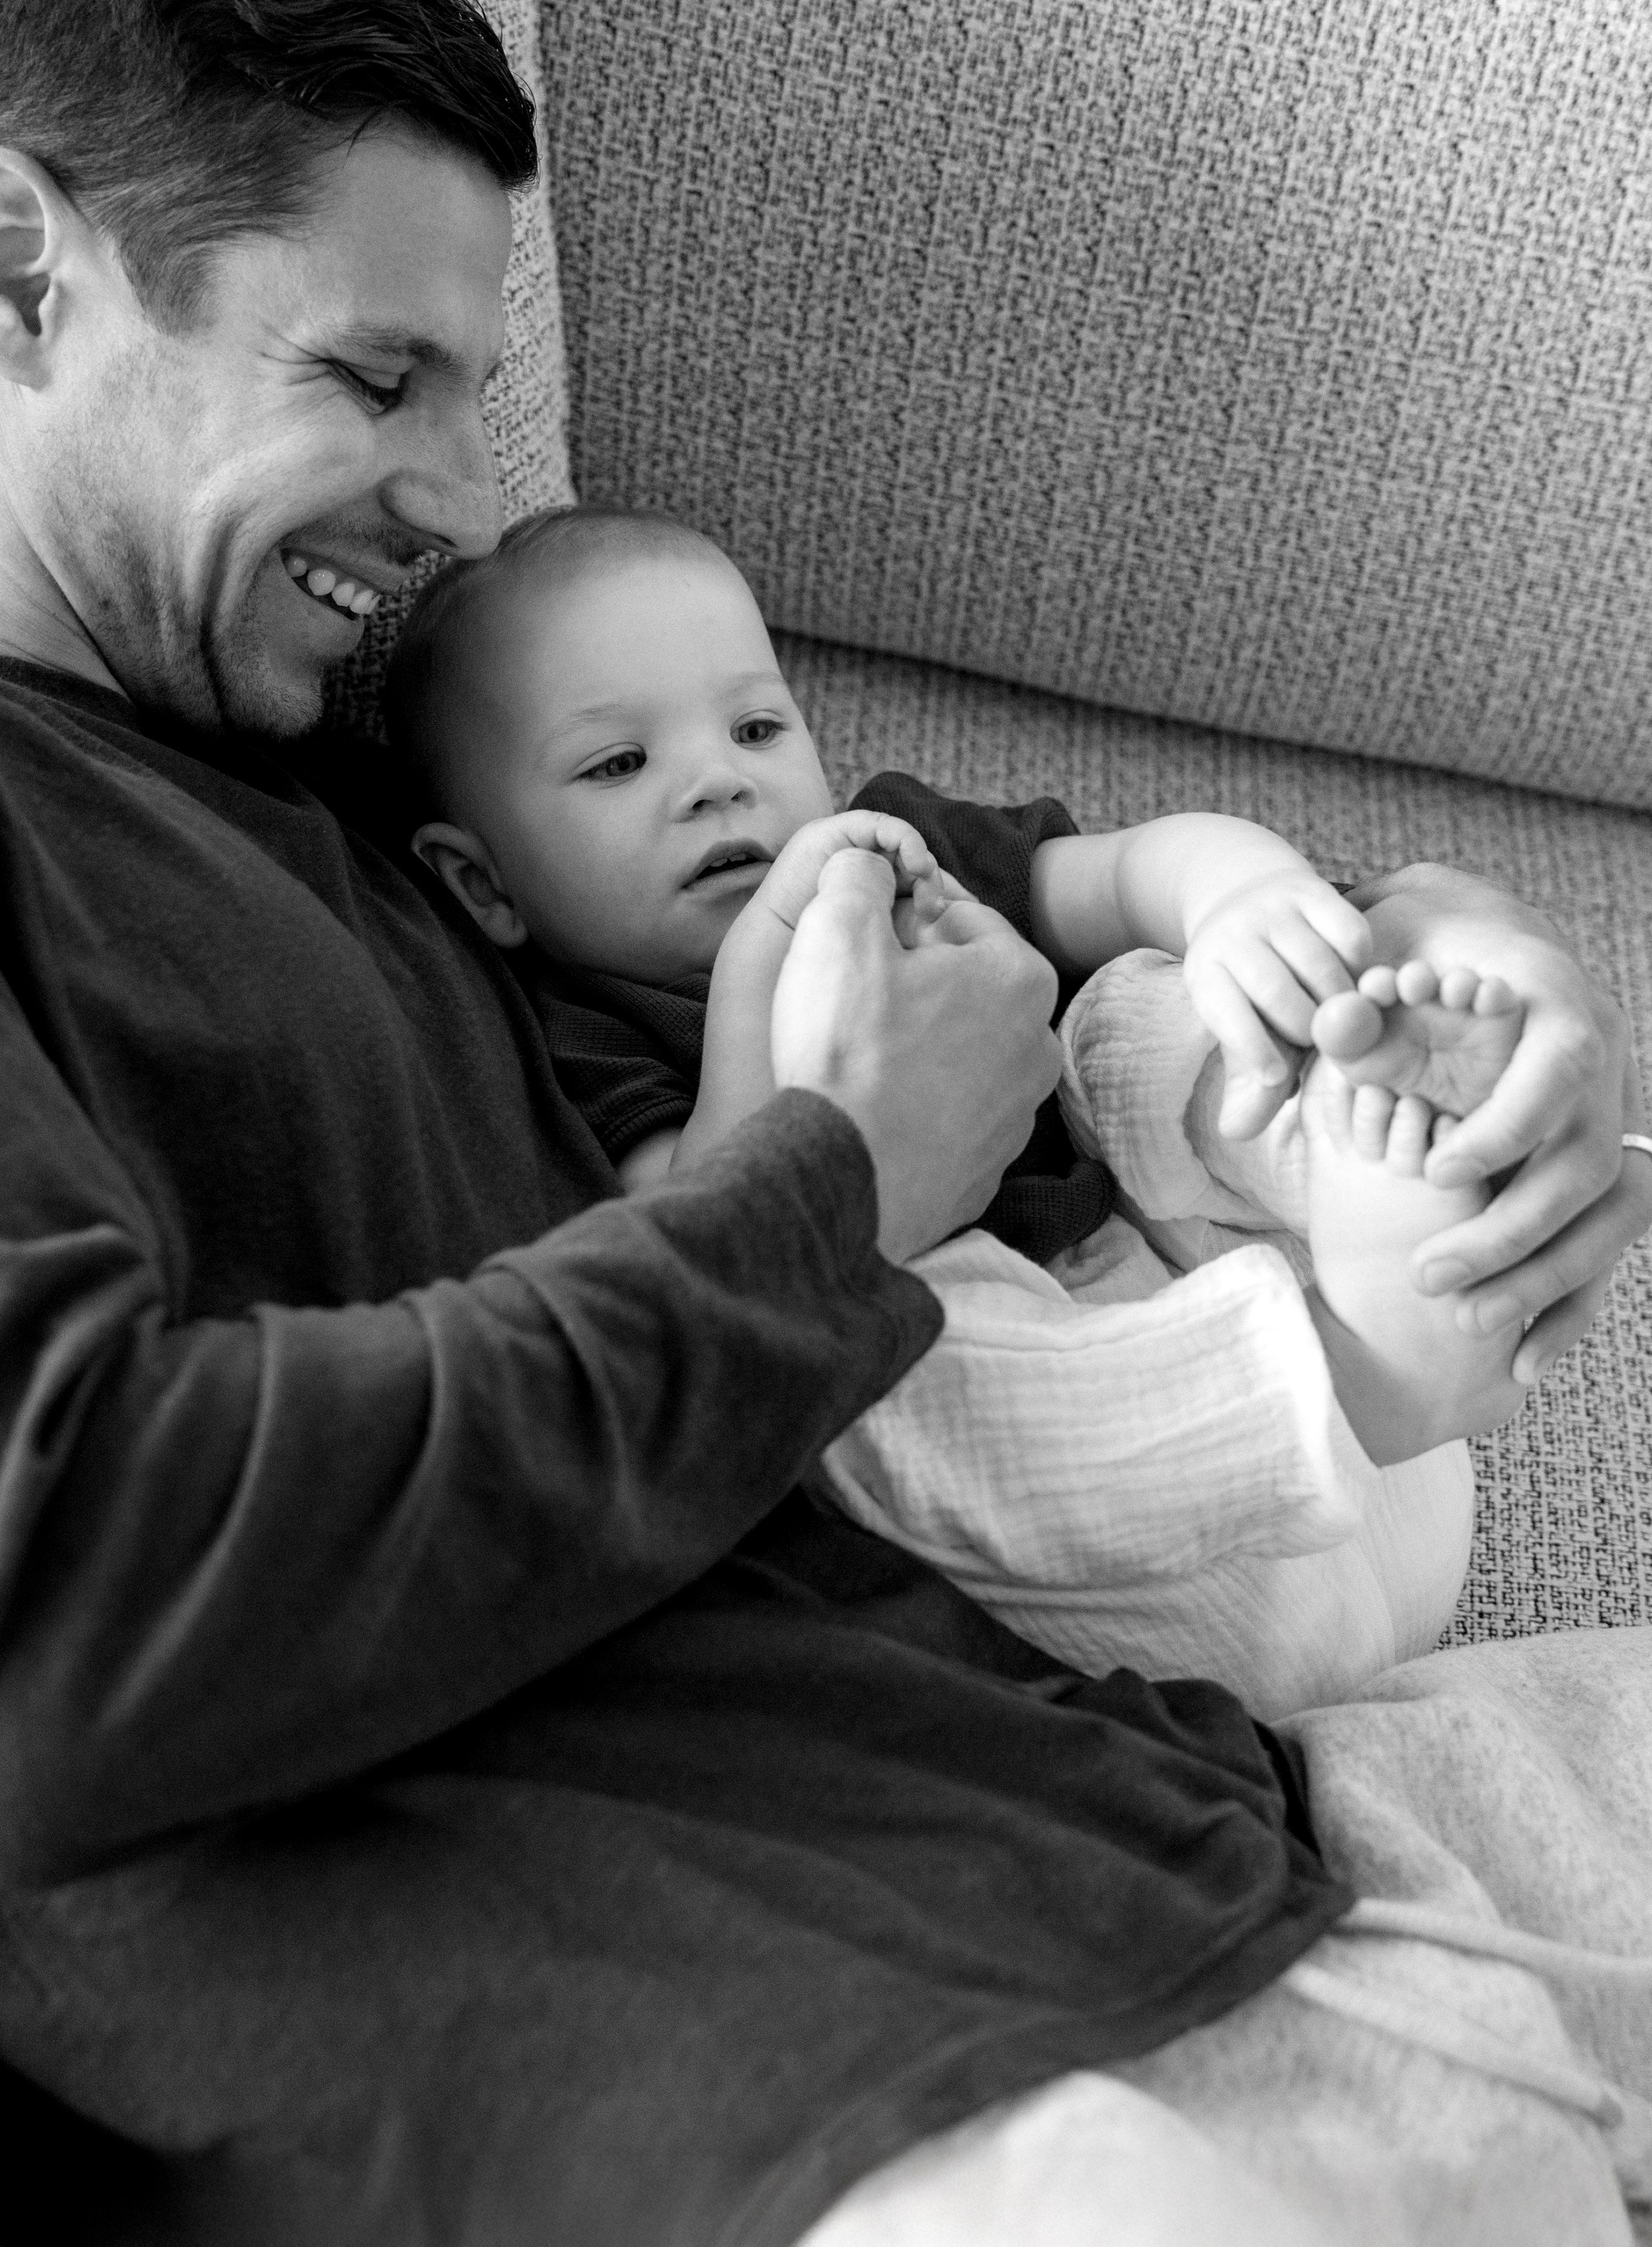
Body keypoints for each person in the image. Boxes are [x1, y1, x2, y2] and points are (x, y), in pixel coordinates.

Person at [1, 0, 1650, 2247]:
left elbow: (1072, 906)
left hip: (1223, 1852)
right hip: (806, 2092)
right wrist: (826, 1198)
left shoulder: (368, 744)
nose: (462, 500)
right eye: (371, 377)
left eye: (478, 392)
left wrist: (1467, 982)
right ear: (26, 273)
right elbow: (77, 1613)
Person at [385, 504, 1531, 1713]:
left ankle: (1366, 1142)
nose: (718, 781)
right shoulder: (570, 1041)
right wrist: (759, 997)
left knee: (1130, 1005)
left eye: (757, 726)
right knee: (871, 1390)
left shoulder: (894, 852)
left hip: (1346, 1436)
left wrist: (1245, 898)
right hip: (1163, 1546)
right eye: (622, 764)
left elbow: (1132, 871)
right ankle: (1373, 1364)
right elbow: (726, 1254)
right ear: (482, 882)